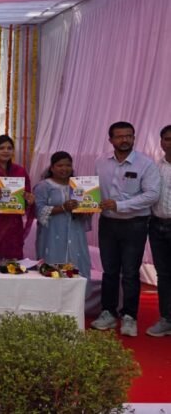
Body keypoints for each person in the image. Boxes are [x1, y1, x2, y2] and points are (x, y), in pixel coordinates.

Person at [91, 121, 160, 337]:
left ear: (134, 138)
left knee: (130, 273)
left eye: (129, 136)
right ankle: (108, 313)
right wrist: (87, 202)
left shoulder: (146, 164)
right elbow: (93, 190)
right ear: (110, 139)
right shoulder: (101, 162)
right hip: (107, 223)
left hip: (135, 224)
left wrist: (120, 205)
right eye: (119, 136)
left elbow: (152, 195)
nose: (124, 140)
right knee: (109, 271)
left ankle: (130, 316)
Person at [33, 151, 91, 280]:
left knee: (77, 269)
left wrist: (86, 211)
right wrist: (63, 208)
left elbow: (84, 208)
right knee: (52, 270)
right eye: (60, 165)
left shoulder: (78, 186)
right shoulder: (43, 186)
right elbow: (38, 210)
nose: (64, 168)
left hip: (75, 232)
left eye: (68, 165)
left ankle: (76, 293)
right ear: (52, 168)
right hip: (52, 234)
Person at [148, 125, 171, 336]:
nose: (170, 143)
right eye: (167, 139)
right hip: (157, 226)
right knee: (163, 274)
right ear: (161, 142)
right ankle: (166, 319)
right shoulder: (155, 168)